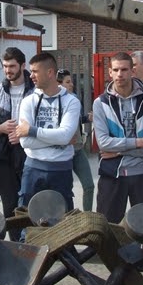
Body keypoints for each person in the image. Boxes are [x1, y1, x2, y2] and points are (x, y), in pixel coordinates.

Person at [92, 52, 143, 223]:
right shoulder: (100, 103)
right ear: (110, 72)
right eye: (115, 70)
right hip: (112, 175)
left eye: (124, 69)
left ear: (132, 71)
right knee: (108, 229)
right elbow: (103, 143)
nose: (119, 74)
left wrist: (118, 151)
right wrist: (139, 143)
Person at [14, 53, 81, 212]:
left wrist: (32, 130)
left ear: (50, 73)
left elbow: (65, 136)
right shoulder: (28, 101)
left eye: (35, 71)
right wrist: (59, 138)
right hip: (32, 169)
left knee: (63, 223)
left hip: (61, 170)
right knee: (27, 220)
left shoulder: (71, 101)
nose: (31, 76)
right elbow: (25, 142)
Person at [0, 47, 34, 219]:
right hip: (4, 154)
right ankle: (14, 245)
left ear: (22, 66)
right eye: (5, 66)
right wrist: (0, 129)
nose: (8, 70)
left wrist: (24, 133)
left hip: (30, 152)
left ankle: (29, 244)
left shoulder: (35, 90)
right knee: (9, 207)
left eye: (12, 66)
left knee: (30, 205)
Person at [58, 69, 94, 212]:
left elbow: (75, 121)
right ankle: (65, 222)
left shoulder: (74, 99)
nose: (71, 84)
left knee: (89, 185)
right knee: (64, 190)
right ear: (58, 84)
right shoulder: (52, 101)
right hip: (62, 152)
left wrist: (87, 118)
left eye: (71, 81)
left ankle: (87, 217)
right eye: (68, 82)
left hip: (78, 150)